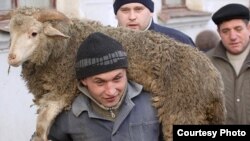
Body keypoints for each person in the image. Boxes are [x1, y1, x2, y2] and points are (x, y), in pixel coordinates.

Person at [47, 32, 162, 141]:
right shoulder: (68, 116)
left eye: (117, 78)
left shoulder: (155, 103)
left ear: (126, 72)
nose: (111, 91)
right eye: (100, 82)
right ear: (84, 81)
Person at [206, 3, 250, 124]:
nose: (233, 36)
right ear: (219, 33)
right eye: (226, 31)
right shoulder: (206, 64)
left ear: (249, 28)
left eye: (238, 29)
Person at [113, 0, 195, 46]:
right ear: (116, 14)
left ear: (151, 12)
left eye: (138, 9)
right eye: (125, 10)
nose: (132, 17)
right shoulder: (105, 44)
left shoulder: (179, 41)